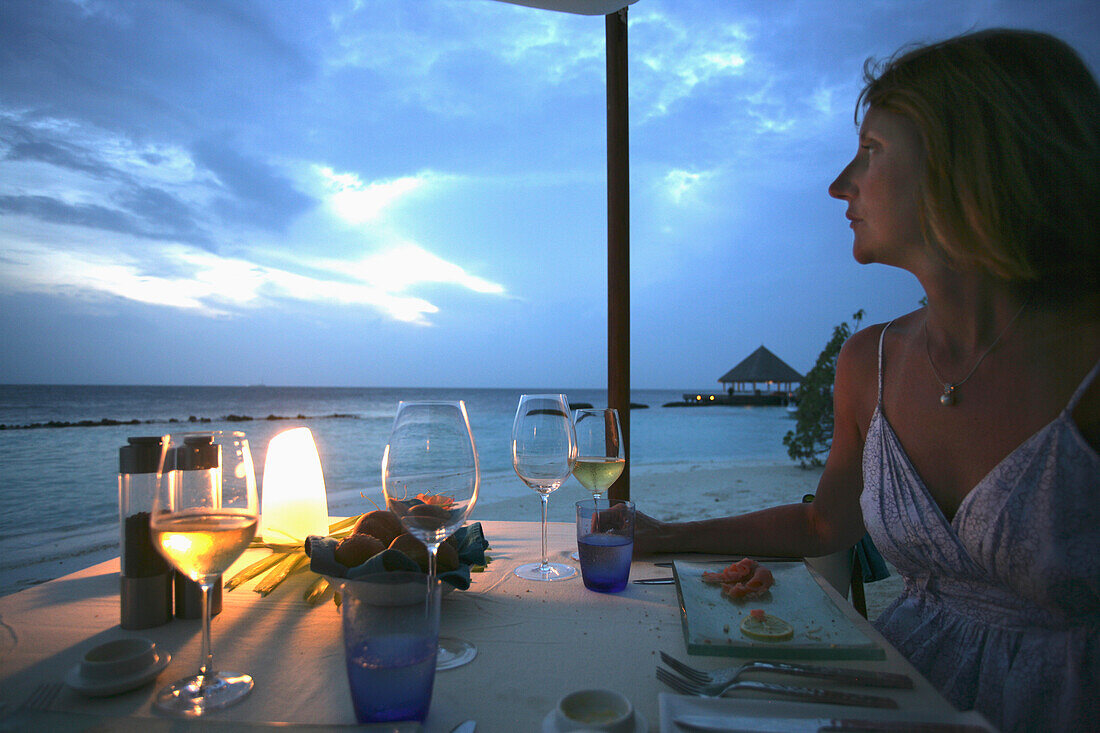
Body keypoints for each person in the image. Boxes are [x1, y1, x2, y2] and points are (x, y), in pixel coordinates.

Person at [634, 29, 1099, 732]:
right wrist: (662, 534)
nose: (839, 183)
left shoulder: (1086, 365)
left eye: (873, 152)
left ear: (966, 164)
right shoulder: (869, 363)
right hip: (891, 697)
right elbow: (826, 522)